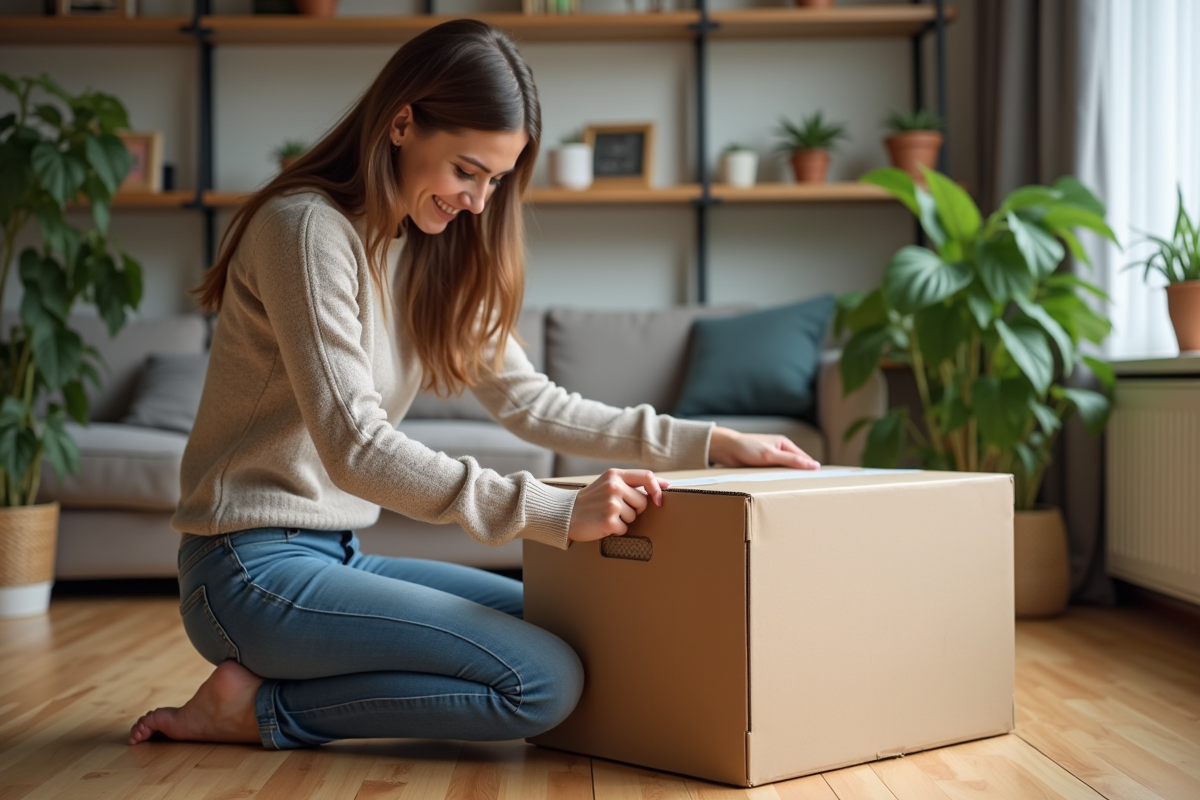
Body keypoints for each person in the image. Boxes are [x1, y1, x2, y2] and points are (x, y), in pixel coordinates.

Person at [128, 19, 819, 750]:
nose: (479, 202)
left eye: (495, 179)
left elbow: (532, 403)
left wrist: (710, 443)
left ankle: (259, 695)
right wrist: (553, 508)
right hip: (245, 568)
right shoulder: (304, 229)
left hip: (337, 553)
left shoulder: (428, 250)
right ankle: (261, 714)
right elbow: (355, 447)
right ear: (401, 124)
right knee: (542, 680)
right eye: (466, 170)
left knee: (573, 631)